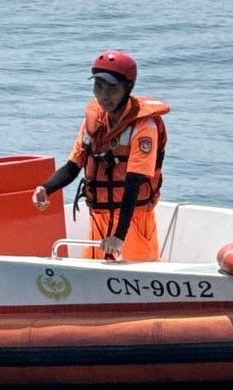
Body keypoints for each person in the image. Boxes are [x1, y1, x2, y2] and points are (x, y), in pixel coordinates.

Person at [32, 51, 169, 262]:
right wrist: (46, 188)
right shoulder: (94, 122)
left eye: (112, 88)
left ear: (128, 88)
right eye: (99, 86)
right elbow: (72, 166)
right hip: (99, 221)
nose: (104, 95)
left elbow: (133, 184)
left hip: (133, 221)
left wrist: (119, 237)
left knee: (139, 276)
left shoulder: (144, 126)